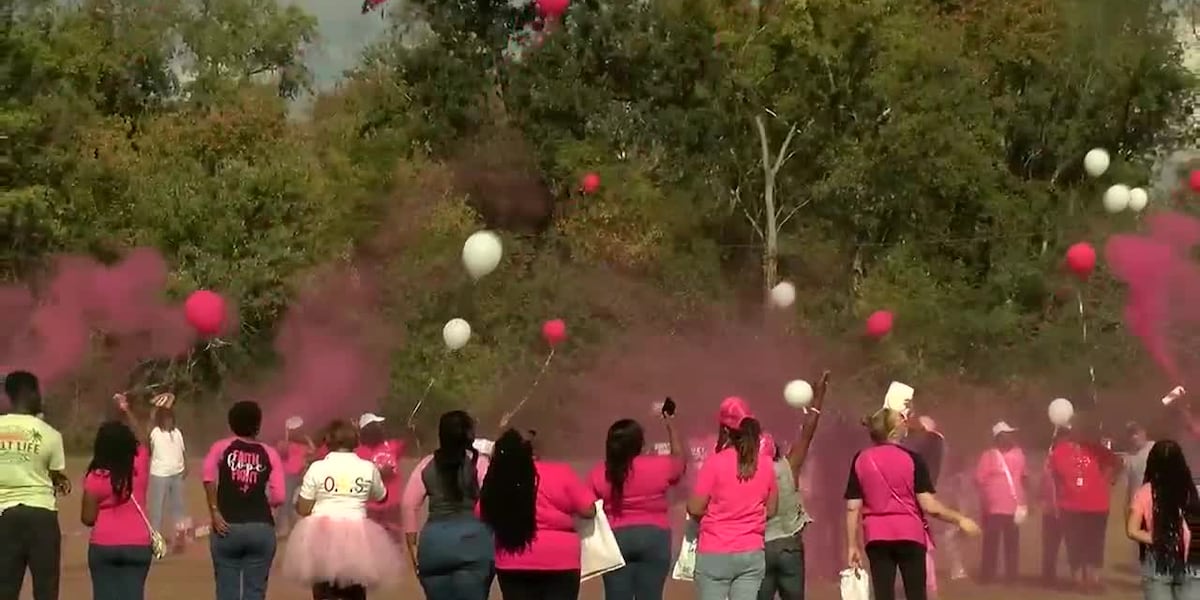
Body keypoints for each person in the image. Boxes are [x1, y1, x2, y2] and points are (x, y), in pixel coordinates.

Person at [844, 408, 979, 600]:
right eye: (901, 419)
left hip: (876, 536)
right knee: (916, 593)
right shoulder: (913, 459)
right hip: (910, 534)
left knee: (883, 594)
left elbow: (852, 507)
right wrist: (960, 519)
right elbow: (929, 506)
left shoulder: (861, 459)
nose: (905, 422)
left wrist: (852, 546)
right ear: (894, 430)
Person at [281, 420, 403, 600]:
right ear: (355, 439)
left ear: (328, 440)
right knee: (355, 588)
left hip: (321, 533)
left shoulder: (318, 468)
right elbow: (381, 496)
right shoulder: (367, 468)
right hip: (358, 534)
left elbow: (304, 508)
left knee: (324, 589)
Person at [480, 428, 596, 599]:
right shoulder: (561, 472)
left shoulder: (503, 477)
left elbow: (482, 511)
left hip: (513, 558)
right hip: (560, 559)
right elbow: (588, 510)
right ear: (537, 451)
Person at [588, 409, 686, 600]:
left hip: (616, 539)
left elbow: (587, 506)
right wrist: (671, 425)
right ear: (639, 443)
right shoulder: (658, 466)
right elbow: (679, 462)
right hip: (654, 537)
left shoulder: (601, 472)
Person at [687, 400, 778, 600]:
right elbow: (771, 510)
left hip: (715, 551)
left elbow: (694, 508)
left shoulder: (714, 463)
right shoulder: (766, 464)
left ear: (726, 430)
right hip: (751, 551)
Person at [402, 411, 493, 600]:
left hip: (434, 547)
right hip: (473, 544)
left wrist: (412, 548)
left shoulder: (427, 464)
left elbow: (408, 505)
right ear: (469, 435)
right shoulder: (480, 464)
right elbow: (493, 502)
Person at [202, 400, 286, 600]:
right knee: (255, 592)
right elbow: (279, 496)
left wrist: (214, 510)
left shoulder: (221, 447)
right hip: (260, 527)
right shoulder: (269, 453)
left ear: (231, 423)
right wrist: (268, 504)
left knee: (226, 590)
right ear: (258, 424)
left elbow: (207, 476)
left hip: (227, 526)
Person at [758, 371, 830, 600]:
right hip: (789, 547)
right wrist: (818, 399)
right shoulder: (789, 467)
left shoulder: (745, 476)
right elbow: (808, 432)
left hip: (760, 548)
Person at [0, 370, 69, 600]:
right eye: (37, 391)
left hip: (4, 515)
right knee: (46, 589)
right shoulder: (51, 434)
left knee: (5, 587)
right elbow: (55, 474)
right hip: (41, 515)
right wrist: (61, 482)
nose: (40, 397)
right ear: (27, 393)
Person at [81, 399, 154, 600]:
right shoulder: (139, 463)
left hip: (104, 544)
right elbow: (144, 438)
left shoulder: (95, 476)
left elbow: (87, 518)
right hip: (138, 544)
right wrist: (127, 410)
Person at [1048, 420, 1119, 591]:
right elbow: (1054, 476)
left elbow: (1115, 463)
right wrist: (1058, 498)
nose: (1082, 434)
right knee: (1075, 543)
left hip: (1097, 505)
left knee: (1094, 543)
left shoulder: (1096, 449)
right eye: (1078, 430)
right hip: (1071, 506)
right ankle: (1078, 580)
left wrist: (1105, 480)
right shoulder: (1060, 451)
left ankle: (1093, 579)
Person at [1127, 440, 1200, 599]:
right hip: (1193, 563)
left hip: (1158, 562)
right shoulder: (1192, 492)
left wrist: (1160, 538)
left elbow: (1132, 530)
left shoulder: (1145, 492)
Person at [974, 421, 1026, 583]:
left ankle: (1012, 576)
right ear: (998, 437)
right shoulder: (988, 455)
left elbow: (1024, 477)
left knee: (1012, 543)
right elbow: (979, 479)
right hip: (994, 507)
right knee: (991, 543)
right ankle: (987, 575)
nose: (1010, 437)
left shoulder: (1019, 454)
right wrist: (985, 499)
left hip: (1014, 506)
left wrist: (1025, 500)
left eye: (1011, 434)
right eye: (1006, 434)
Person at [146, 398, 187, 550]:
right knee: (157, 508)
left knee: (178, 508)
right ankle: (155, 539)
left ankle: (179, 538)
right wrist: (156, 408)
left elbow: (183, 451)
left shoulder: (177, 433)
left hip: (177, 474)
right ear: (160, 420)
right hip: (160, 475)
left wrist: (185, 467)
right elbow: (149, 425)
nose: (169, 422)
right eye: (165, 419)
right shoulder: (155, 432)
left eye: (171, 419)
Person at [356, 413, 405, 540]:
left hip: (392, 505)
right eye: (375, 426)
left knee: (395, 542)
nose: (380, 428)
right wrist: (381, 473)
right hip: (371, 507)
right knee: (373, 543)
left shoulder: (392, 446)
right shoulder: (358, 452)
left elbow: (411, 438)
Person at [276, 419, 313, 537]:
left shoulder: (302, 446)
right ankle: (283, 527)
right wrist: (286, 433)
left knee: (297, 501)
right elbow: (282, 451)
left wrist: (306, 438)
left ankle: (292, 526)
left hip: (300, 475)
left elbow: (313, 451)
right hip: (288, 477)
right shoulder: (284, 444)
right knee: (286, 502)